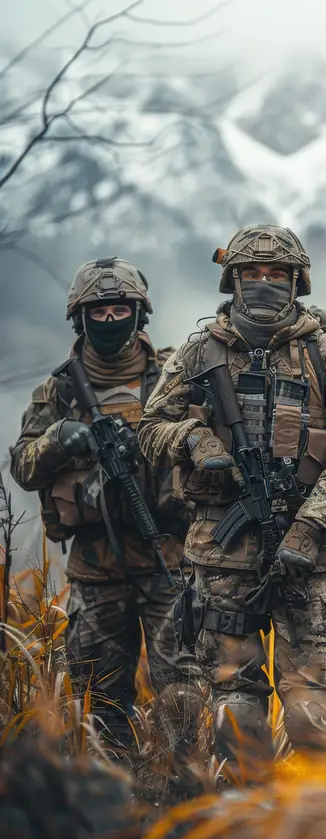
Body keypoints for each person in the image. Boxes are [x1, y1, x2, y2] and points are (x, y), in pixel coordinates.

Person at [137, 224, 326, 772]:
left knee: (313, 712)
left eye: (276, 274)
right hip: (222, 559)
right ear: (233, 280)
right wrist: (191, 438)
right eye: (251, 273)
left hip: (306, 561)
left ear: (297, 282)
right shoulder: (198, 352)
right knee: (235, 710)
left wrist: (310, 529)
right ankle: (249, 818)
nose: (264, 282)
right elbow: (150, 427)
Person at [10, 257, 189, 750]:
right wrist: (59, 439)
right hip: (95, 572)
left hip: (169, 562)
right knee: (99, 703)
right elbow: (23, 467)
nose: (109, 319)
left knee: (184, 696)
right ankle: (112, 788)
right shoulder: (59, 391)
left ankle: (183, 785)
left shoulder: (172, 379)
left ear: (139, 313)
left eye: (119, 310)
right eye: (99, 311)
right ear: (80, 318)